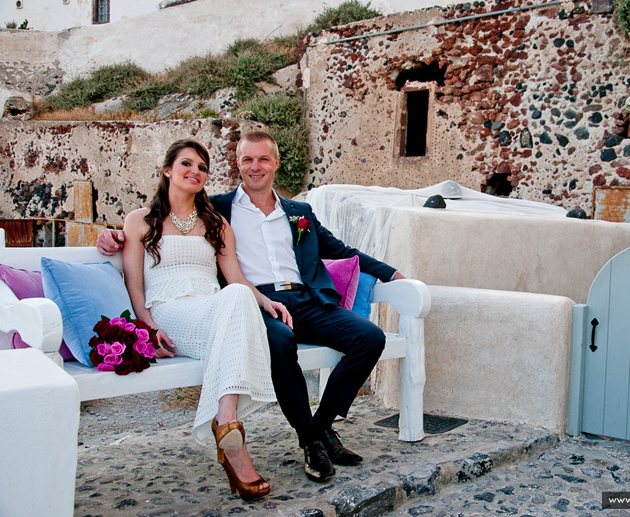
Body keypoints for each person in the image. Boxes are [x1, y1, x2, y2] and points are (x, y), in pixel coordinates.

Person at [99, 131, 406, 483]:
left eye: (263, 159)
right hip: (253, 304)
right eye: (247, 159)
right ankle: (311, 443)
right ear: (237, 165)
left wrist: (392, 273)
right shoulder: (218, 209)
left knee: (369, 338)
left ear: (276, 163)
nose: (255, 166)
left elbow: (342, 250)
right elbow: (164, 222)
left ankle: (318, 429)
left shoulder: (300, 213)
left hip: (306, 299)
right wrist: (111, 235)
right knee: (279, 343)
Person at [120, 138, 292, 501]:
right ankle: (230, 436)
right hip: (170, 314)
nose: (195, 172)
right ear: (168, 170)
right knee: (236, 305)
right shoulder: (139, 221)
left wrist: (267, 301)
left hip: (213, 312)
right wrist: (149, 328)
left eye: (202, 167)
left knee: (239, 296)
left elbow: (238, 281)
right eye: (186, 164)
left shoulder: (215, 223)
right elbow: (135, 288)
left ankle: (226, 418)